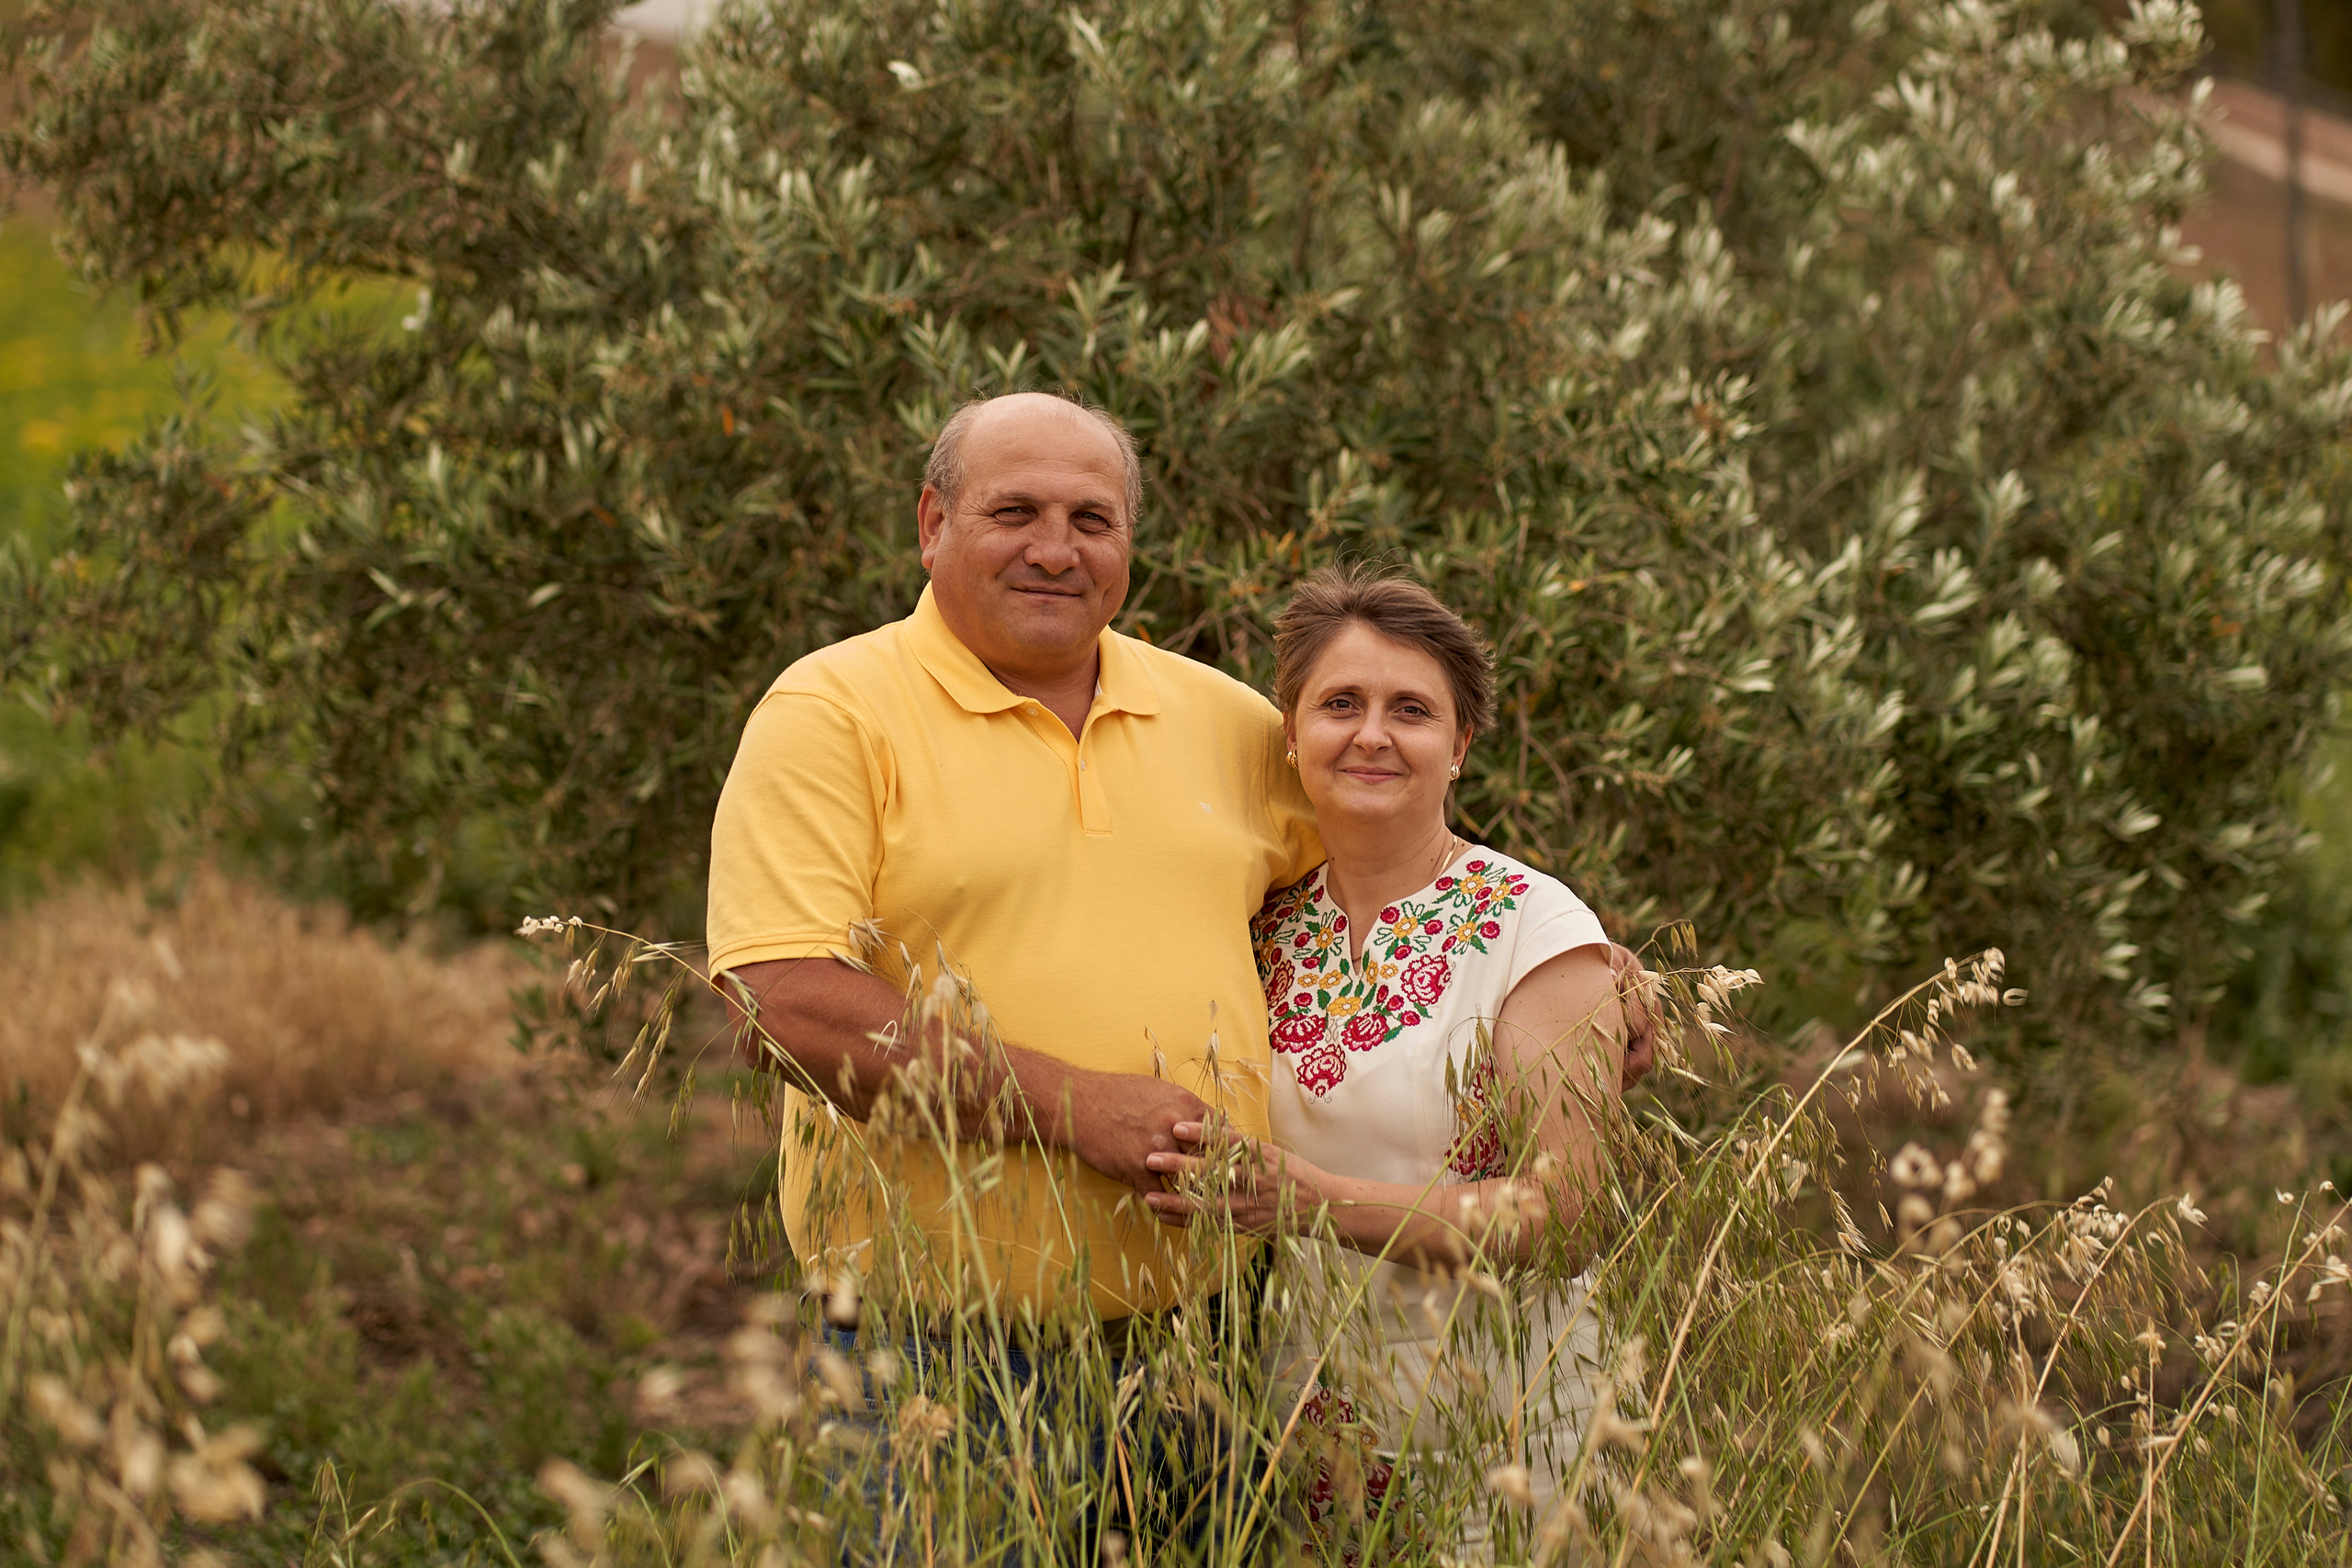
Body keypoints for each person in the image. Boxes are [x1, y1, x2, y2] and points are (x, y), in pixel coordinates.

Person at [1145, 564, 1629, 1555]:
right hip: (1302, 1419)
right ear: (1290, 733)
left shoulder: (1536, 930)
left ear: (1460, 746)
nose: (1371, 734)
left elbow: (1569, 1215)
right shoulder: (1261, 927)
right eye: (1340, 704)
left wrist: (1313, 1199)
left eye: (1411, 710)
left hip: (1502, 1416)